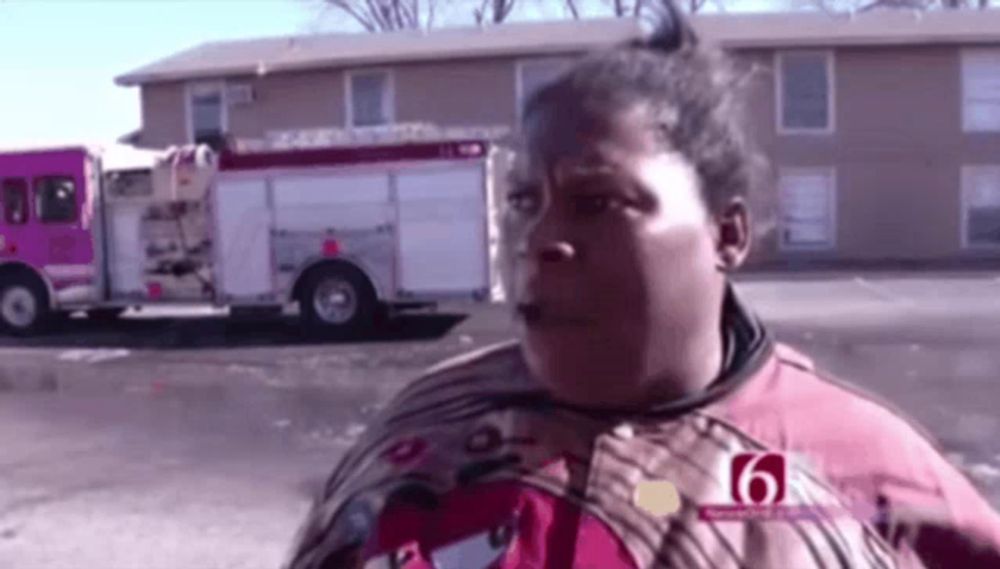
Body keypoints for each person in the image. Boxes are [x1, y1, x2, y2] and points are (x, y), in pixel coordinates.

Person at [285, 5, 1000, 568]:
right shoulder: (420, 425)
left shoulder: (855, 473)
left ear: (728, 234)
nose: (541, 241)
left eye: (597, 202)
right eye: (524, 201)